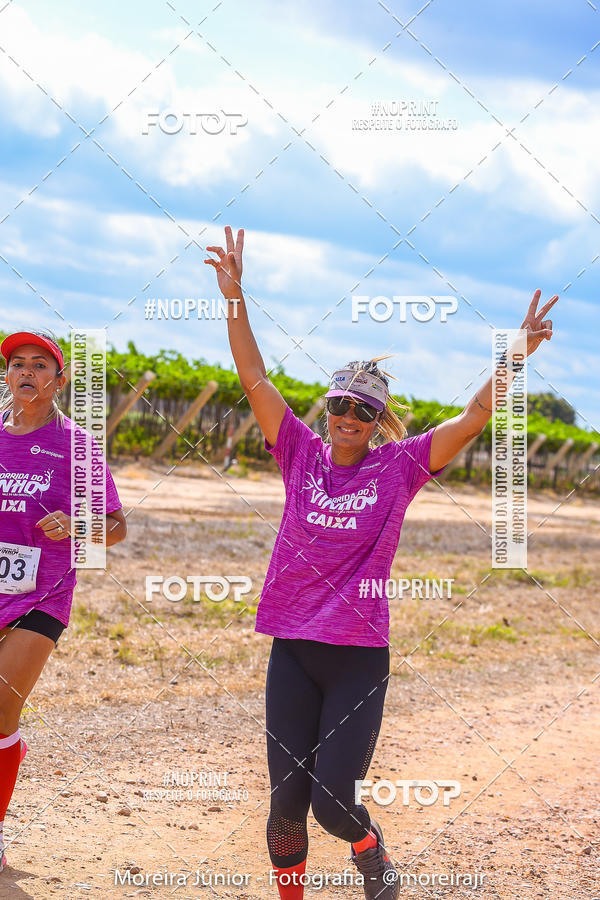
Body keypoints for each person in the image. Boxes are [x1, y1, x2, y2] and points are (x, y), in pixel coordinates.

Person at [205, 227, 558, 899]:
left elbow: (475, 414)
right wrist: (234, 298)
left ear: (377, 421)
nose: (347, 417)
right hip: (294, 646)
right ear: (327, 407)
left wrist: (516, 352)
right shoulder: (298, 452)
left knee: (332, 806)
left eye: (362, 411)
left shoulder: (399, 469)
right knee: (285, 805)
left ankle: (372, 854)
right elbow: (253, 376)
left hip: (357, 654)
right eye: (339, 404)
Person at [0, 331, 127, 873]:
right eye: (17, 364)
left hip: (42, 595)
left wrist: (79, 525)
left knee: (0, 705)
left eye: (39, 364)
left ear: (60, 379)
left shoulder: (77, 444)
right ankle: (11, 750)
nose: (26, 372)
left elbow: (118, 528)